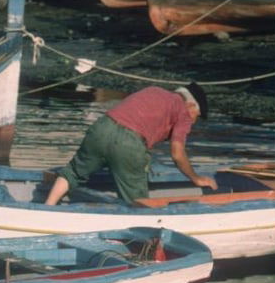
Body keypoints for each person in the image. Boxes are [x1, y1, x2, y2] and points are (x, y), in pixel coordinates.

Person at [46, 82, 218, 206]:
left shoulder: (153, 90)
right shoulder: (183, 111)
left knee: (73, 172)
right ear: (190, 105)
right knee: (139, 203)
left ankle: (48, 207)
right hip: (129, 142)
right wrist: (196, 178)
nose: (194, 121)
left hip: (102, 127)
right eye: (197, 116)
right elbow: (177, 153)